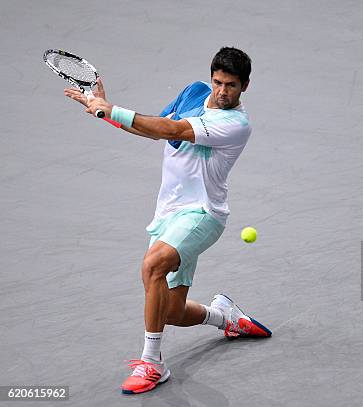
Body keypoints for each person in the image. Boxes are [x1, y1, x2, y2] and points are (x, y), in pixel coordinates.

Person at [64, 46, 271, 395]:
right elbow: (153, 129)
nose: (222, 92)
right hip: (168, 214)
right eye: (218, 82)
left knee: (153, 265)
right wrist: (104, 112)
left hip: (203, 213)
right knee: (170, 311)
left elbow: (172, 130)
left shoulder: (235, 124)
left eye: (231, 85)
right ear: (210, 78)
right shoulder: (193, 92)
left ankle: (152, 363)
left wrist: (112, 109)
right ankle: (226, 317)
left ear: (245, 87)